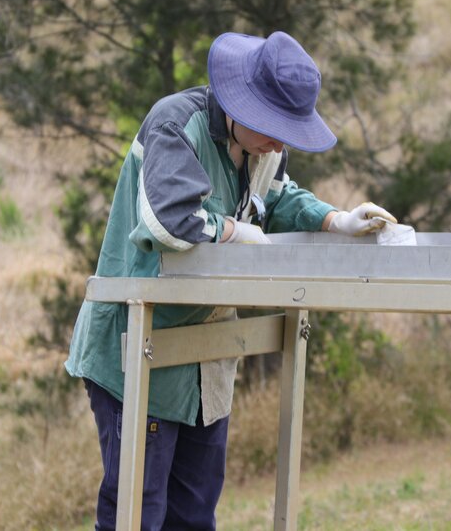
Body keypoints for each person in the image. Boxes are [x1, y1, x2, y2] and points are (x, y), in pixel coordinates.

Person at [65, 30, 396, 530]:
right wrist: (233, 230)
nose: (280, 142)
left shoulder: (265, 148)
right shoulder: (176, 124)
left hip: (207, 362)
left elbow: (277, 198)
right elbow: (169, 223)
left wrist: (336, 221)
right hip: (138, 351)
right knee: (137, 514)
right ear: (241, 104)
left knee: (194, 516)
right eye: (273, 126)